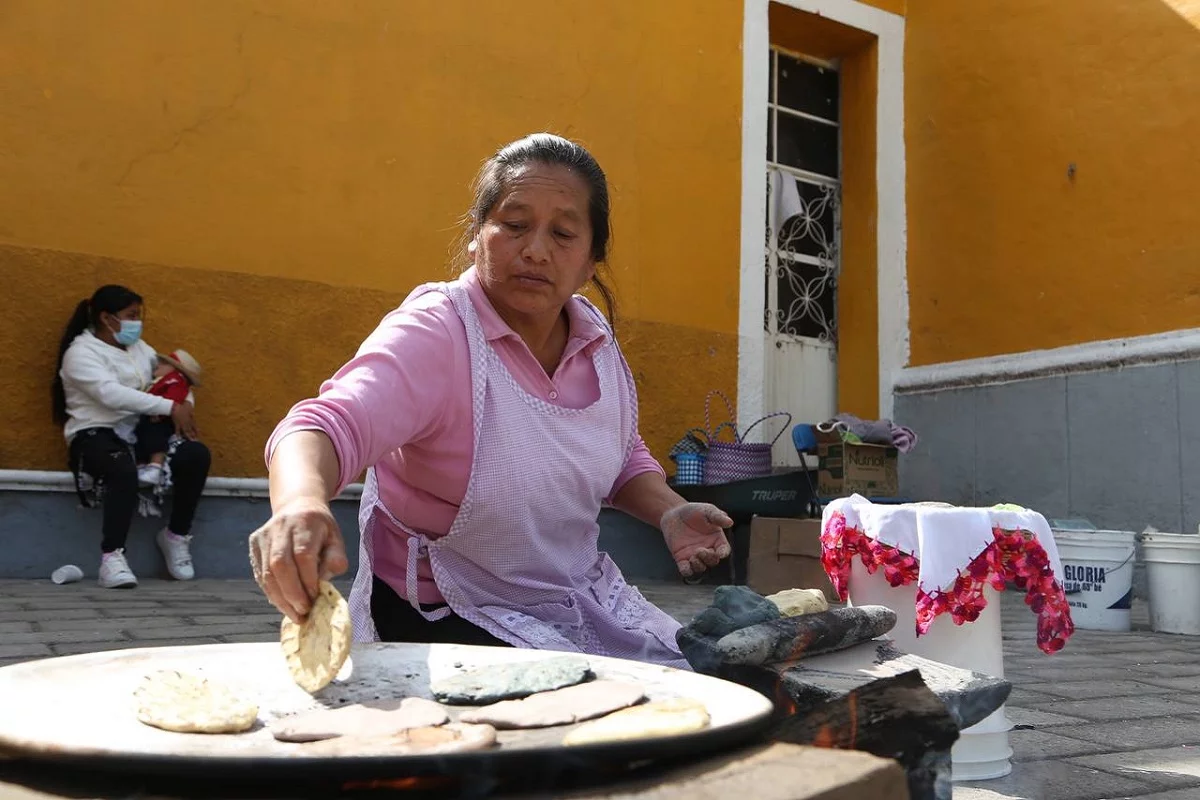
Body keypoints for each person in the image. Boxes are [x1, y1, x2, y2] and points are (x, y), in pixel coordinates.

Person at [250, 133, 733, 669]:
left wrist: (670, 512)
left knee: (715, 684)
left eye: (564, 233)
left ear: (591, 261)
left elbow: (618, 453)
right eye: (515, 224)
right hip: (443, 615)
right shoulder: (438, 332)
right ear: (478, 236)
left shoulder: (594, 340)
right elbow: (323, 425)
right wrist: (300, 505)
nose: (535, 250)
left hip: (574, 602)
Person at [53, 285, 212, 589]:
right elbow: (110, 395)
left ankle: (175, 536)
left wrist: (184, 407)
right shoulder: (80, 353)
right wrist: (168, 406)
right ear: (106, 318)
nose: (137, 323)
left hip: (141, 432)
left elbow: (174, 379)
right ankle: (112, 557)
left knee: (196, 454)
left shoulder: (141, 349)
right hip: (95, 433)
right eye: (131, 316)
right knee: (120, 467)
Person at [136, 349, 203, 487]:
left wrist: (161, 411)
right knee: (142, 437)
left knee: (156, 437)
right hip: (148, 416)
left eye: (164, 363)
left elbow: (174, 399)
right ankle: (142, 466)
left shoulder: (175, 381)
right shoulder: (161, 381)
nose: (158, 364)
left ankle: (155, 466)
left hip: (161, 419)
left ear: (176, 370)